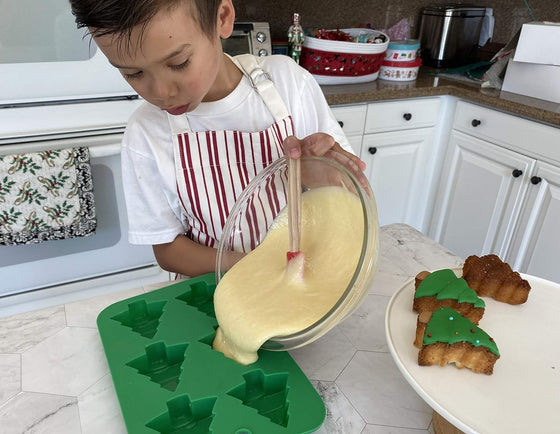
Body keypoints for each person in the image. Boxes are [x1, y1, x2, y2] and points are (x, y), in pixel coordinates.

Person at [69, 0, 365, 277]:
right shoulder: (146, 133)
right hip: (214, 290)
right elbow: (167, 248)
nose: (161, 92)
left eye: (179, 63)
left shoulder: (288, 84)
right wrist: (258, 269)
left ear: (222, 18)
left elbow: (352, 197)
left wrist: (323, 175)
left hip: (304, 277)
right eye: (133, 73)